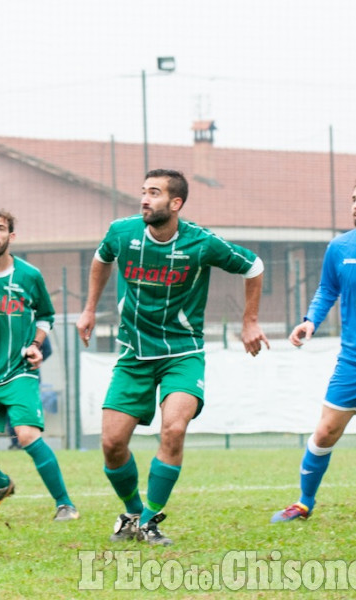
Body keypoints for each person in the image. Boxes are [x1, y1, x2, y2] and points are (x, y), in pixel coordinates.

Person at [76, 169, 269, 546]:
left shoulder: (201, 243)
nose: (145, 199)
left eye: (154, 193)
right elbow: (101, 259)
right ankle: (132, 512)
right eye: (143, 191)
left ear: (175, 203)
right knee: (112, 444)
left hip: (183, 352)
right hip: (133, 352)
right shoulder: (122, 232)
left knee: (174, 429)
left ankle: (150, 520)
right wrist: (88, 309)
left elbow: (254, 266)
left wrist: (250, 321)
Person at [271, 177, 356, 523]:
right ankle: (304, 503)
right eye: (353, 199)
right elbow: (327, 290)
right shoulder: (340, 248)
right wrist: (310, 321)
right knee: (325, 433)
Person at [0, 210, 80, 523]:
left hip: (18, 371)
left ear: (11, 236)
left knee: (26, 435)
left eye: (0, 229)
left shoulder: (29, 275)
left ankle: (64, 504)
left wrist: (35, 345)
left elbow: (46, 316)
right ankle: (0, 483)